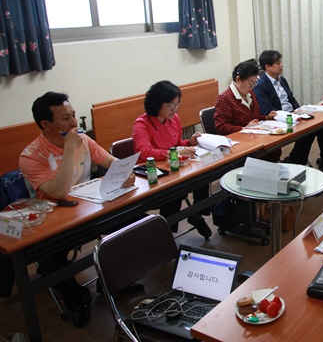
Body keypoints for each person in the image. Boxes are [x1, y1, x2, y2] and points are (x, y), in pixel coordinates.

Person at [19, 92, 135, 328]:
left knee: (135, 223)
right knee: (49, 264)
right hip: (54, 220)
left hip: (88, 208)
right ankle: (78, 297)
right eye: (66, 118)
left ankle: (111, 279)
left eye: (73, 115)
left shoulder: (84, 141)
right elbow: (59, 192)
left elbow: (111, 162)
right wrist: (69, 148)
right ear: (46, 124)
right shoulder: (31, 156)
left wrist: (125, 173)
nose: (74, 123)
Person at [132, 81, 212, 239]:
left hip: (174, 168)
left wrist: (189, 143)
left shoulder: (173, 119)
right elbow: (145, 152)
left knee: (203, 174)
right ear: (157, 104)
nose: (174, 109)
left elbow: (177, 144)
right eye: (170, 105)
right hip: (152, 174)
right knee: (175, 189)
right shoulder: (142, 124)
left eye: (177, 104)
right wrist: (174, 152)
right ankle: (166, 232)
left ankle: (196, 213)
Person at [254, 50, 323, 173]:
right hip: (279, 119)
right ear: (267, 67)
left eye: (280, 62)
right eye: (277, 63)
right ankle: (295, 161)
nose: (281, 65)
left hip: (293, 115)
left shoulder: (282, 80)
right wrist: (291, 115)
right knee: (309, 130)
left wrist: (300, 110)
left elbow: (291, 99)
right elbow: (267, 110)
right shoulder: (261, 85)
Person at [214, 61, 281, 162]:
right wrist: (245, 128)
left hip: (254, 137)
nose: (252, 86)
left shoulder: (251, 94)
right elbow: (221, 127)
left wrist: (266, 117)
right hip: (238, 142)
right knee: (265, 153)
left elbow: (255, 117)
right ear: (238, 79)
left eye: (254, 82)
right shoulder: (224, 98)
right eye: (250, 83)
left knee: (274, 148)